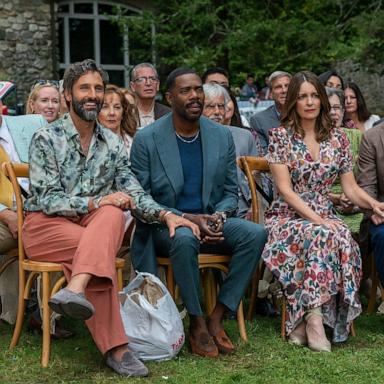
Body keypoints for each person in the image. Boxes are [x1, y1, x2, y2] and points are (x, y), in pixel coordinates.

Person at [22, 59, 198, 377]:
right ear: (67, 95)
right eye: (84, 88)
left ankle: (76, 289)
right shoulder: (45, 139)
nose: (93, 95)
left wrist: (165, 215)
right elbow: (47, 199)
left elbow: (133, 191)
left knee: (113, 213)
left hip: (90, 230)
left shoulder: (112, 142)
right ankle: (117, 348)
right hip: (44, 227)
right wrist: (97, 200)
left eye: (98, 88)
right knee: (103, 230)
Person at [130, 68, 267, 358]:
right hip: (164, 226)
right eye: (185, 91)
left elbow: (230, 190)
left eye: (198, 89)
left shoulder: (220, 135)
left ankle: (218, 315)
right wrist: (189, 219)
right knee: (184, 238)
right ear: (169, 97)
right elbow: (140, 198)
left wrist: (219, 216)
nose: (194, 96)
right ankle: (197, 322)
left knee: (255, 233)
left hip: (210, 220)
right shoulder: (147, 139)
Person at [262, 71, 384, 352]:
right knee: (323, 232)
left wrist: (373, 204)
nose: (309, 102)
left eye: (314, 95)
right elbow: (286, 191)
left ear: (321, 99)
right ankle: (316, 320)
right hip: (286, 216)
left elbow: (350, 188)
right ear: (293, 101)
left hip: (323, 213)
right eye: (302, 96)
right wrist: (318, 219)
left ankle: (306, 323)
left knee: (335, 234)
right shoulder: (280, 137)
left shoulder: (337, 139)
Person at [0, 101, 46, 326]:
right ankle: (10, 311)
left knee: (62, 233)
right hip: (4, 212)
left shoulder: (34, 124)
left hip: (40, 205)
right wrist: (5, 214)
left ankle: (47, 314)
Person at [202, 83, 259, 218]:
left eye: (221, 106)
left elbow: (258, 177)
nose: (217, 112)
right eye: (210, 106)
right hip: (206, 211)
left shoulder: (244, 136)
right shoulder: (191, 139)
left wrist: (255, 207)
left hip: (243, 207)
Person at [357, 122, 384, 299]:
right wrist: (373, 208)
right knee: (382, 236)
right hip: (382, 211)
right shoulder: (372, 137)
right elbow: (367, 185)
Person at [249, 71, 291, 155]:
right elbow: (264, 155)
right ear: (271, 94)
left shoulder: (305, 114)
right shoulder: (259, 120)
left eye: (288, 86)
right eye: (278, 87)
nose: (284, 90)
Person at [98, 85, 138, 157]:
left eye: (117, 107)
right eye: (105, 107)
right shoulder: (88, 144)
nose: (112, 113)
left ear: (123, 112)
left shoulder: (137, 141)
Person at [129, 63, 171, 128]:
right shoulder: (126, 114)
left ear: (157, 85)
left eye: (153, 79)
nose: (148, 83)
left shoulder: (169, 114)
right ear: (132, 86)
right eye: (142, 79)